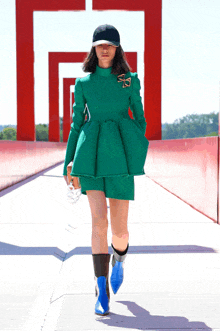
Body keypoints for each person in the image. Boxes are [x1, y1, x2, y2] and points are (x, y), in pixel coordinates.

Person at [63, 24, 149, 315]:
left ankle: (120, 259)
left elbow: (140, 119)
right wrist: (68, 163)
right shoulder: (84, 83)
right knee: (98, 222)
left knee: (120, 230)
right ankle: (101, 289)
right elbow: (76, 124)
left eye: (110, 44)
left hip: (120, 156)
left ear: (117, 48)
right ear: (93, 48)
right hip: (90, 154)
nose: (104, 48)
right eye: (100, 44)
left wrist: (133, 149)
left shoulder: (129, 80)